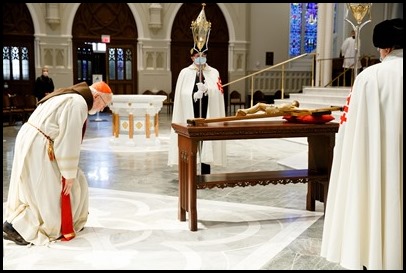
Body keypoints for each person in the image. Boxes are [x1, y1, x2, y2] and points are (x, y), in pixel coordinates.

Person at [321, 18, 403, 270]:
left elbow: (352, 127)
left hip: (379, 160)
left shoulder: (370, 77)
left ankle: (377, 255)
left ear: (384, 48)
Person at [3, 81, 113, 246]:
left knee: (35, 189)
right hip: (39, 144)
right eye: (104, 104)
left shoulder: (71, 95)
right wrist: (68, 173)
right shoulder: (78, 103)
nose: (102, 109)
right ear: (96, 96)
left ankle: (19, 223)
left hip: (31, 138)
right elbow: (69, 139)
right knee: (52, 190)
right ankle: (19, 227)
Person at [167, 49, 226, 174]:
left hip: (207, 114)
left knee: (206, 142)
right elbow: (181, 94)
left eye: (203, 55)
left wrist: (208, 90)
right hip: (191, 113)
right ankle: (190, 173)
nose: (201, 57)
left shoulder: (213, 72)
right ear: (192, 57)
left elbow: (219, 92)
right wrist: (194, 95)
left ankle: (205, 173)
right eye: (197, 55)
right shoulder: (185, 73)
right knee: (191, 142)